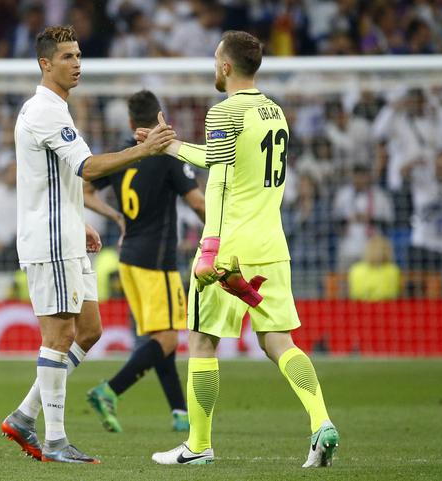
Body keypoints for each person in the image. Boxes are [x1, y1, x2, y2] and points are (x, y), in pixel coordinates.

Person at [145, 30, 339, 467]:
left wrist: (209, 246)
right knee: (279, 341)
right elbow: (232, 164)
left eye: (216, 60)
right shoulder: (275, 111)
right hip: (271, 241)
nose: (214, 66)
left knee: (202, 342)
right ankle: (321, 422)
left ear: (227, 66)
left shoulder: (226, 111)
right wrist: (172, 145)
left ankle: (197, 445)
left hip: (228, 245)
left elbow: (219, 172)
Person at [0, 25, 175, 464]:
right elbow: (89, 168)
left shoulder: (57, 108)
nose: (77, 63)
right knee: (58, 335)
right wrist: (145, 151)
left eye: (79, 55)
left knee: (89, 330)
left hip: (67, 233)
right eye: (67, 57)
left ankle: (24, 416)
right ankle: (55, 440)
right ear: (45, 64)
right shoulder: (45, 111)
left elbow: (60, 179)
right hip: (51, 240)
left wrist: (80, 221)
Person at [84, 90, 205, 434]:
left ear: (131, 122)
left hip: (129, 258)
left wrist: (117, 217)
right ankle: (109, 391)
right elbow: (197, 203)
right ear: (161, 116)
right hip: (157, 260)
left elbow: (84, 189)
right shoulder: (167, 154)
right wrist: (226, 227)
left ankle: (180, 413)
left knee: (157, 336)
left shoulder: (124, 154)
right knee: (167, 338)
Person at [348, 235, 401, 301]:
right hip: (385, 305)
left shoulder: (355, 268)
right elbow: (392, 293)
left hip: (361, 305)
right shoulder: (393, 269)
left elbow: (355, 293)